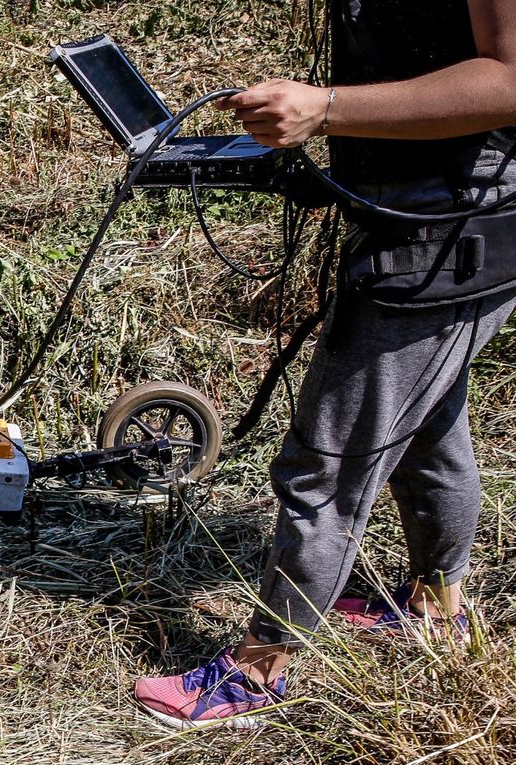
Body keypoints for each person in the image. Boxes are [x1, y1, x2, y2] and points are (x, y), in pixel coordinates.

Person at [133, 0, 516, 728]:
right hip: (426, 216)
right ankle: (436, 611)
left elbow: (510, 80)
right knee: (428, 428)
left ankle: (258, 669)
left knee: (329, 458)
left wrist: (328, 110)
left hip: (446, 238)